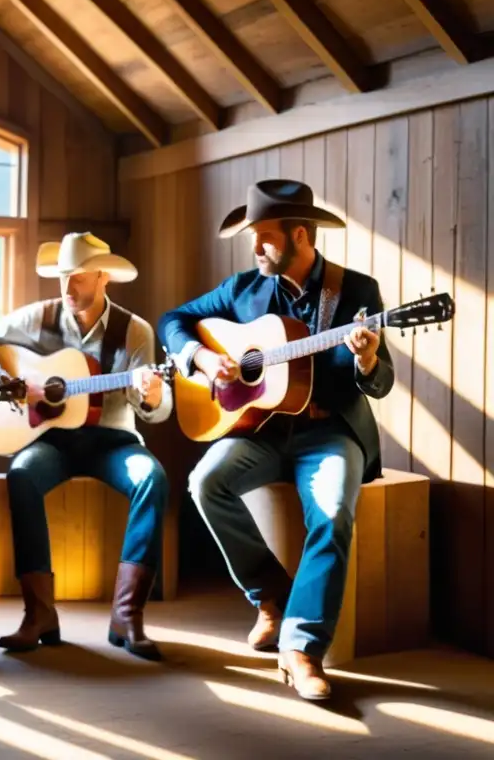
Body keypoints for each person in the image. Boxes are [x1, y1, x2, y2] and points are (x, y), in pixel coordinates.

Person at [157, 179, 394, 700]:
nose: (255, 247)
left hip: (330, 432)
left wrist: (367, 358)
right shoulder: (243, 290)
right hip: (259, 430)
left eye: (264, 237)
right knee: (204, 482)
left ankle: (302, 649)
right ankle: (270, 595)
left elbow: (381, 382)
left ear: (302, 236)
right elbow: (172, 320)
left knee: (331, 512)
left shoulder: (355, 292)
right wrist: (199, 358)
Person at [0, 232, 173, 661]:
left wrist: (148, 394)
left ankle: (127, 616)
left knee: (152, 477)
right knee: (21, 474)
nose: (68, 287)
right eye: (62, 277)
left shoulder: (134, 331)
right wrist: (5, 380)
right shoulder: (40, 317)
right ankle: (38, 613)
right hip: (52, 439)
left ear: (103, 278)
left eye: (78, 277)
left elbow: (154, 410)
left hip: (113, 441)